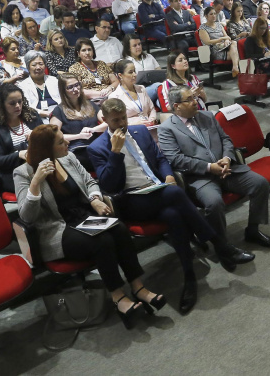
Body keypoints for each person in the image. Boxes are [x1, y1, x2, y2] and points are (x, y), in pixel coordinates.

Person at [88, 99, 253, 312]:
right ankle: (220, 244)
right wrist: (115, 153)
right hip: (131, 200)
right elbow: (109, 185)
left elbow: (160, 159)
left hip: (158, 190)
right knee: (175, 193)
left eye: (123, 118)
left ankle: (189, 279)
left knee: (174, 215)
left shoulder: (140, 131)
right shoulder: (97, 147)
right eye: (115, 120)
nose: (121, 124)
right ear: (105, 120)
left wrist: (168, 176)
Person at [15, 125, 165, 328]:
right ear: (46, 149)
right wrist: (35, 183)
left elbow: (90, 182)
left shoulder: (68, 158)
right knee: (102, 240)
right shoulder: (23, 173)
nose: (67, 143)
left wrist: (94, 199)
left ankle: (138, 287)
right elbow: (27, 216)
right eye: (61, 142)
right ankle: (118, 296)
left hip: (84, 217)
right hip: (58, 229)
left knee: (119, 229)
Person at [158, 85, 270, 246]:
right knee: (214, 203)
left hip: (227, 169)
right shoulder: (166, 129)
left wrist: (227, 158)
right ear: (177, 106)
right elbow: (176, 159)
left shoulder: (207, 116)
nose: (195, 102)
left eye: (194, 98)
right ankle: (223, 246)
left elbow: (226, 139)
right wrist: (209, 167)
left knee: (260, 183)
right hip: (201, 177)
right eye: (189, 99)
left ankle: (253, 230)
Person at [0, 84, 44, 195]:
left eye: (20, 101)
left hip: (39, 164)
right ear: (1, 104)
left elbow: (48, 139)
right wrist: (19, 154)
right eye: (12, 103)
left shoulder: (32, 115)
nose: (18, 106)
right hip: (13, 172)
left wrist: (37, 135)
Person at [49, 73, 105, 171]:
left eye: (77, 85)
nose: (75, 89)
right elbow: (52, 136)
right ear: (63, 90)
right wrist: (79, 136)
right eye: (70, 87)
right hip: (76, 150)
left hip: (96, 146)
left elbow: (108, 122)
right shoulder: (59, 110)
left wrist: (93, 129)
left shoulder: (90, 105)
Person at [107, 59, 156, 127]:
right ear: (120, 75)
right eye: (130, 72)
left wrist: (151, 120)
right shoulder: (114, 97)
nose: (135, 74)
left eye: (134, 71)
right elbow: (116, 122)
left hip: (150, 127)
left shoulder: (141, 88)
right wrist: (135, 124)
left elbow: (151, 109)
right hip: (131, 130)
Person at [18, 51, 61, 123]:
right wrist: (48, 114)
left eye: (41, 64)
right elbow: (27, 107)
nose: (38, 67)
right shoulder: (23, 85)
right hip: (37, 117)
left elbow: (63, 100)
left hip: (58, 113)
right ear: (28, 67)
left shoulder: (54, 80)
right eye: (34, 65)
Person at [198, 6, 240, 77]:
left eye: (215, 14)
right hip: (214, 50)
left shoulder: (219, 25)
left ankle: (235, 68)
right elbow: (207, 42)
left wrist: (226, 40)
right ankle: (238, 70)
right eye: (211, 14)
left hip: (225, 47)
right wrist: (222, 39)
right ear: (206, 16)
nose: (214, 16)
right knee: (238, 53)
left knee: (235, 44)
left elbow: (227, 37)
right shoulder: (202, 28)